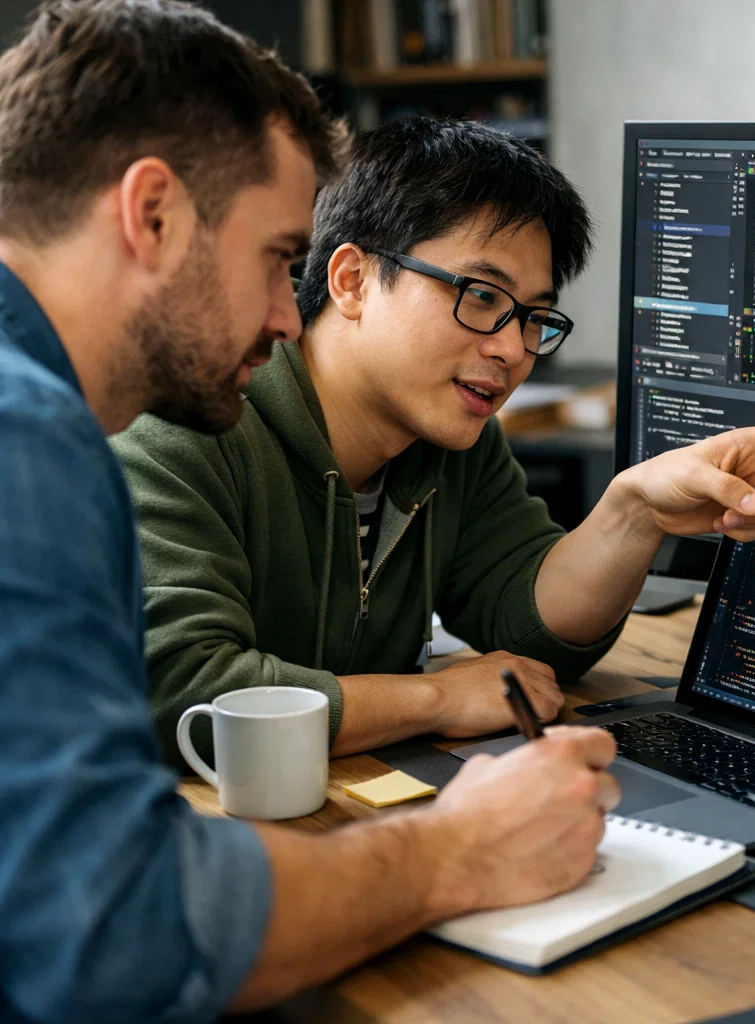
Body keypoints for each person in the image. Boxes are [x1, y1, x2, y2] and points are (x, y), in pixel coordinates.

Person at [0, 4, 623, 1021]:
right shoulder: (25, 443)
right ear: (151, 214)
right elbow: (116, 933)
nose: (290, 316)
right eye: (273, 256)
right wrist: (453, 849)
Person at [113, 116, 755, 765]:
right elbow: (183, 692)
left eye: (534, 316)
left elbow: (531, 628)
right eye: (480, 296)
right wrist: (434, 699)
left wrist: (633, 512)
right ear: (351, 280)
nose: (512, 348)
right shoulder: (188, 424)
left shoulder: (451, 442)